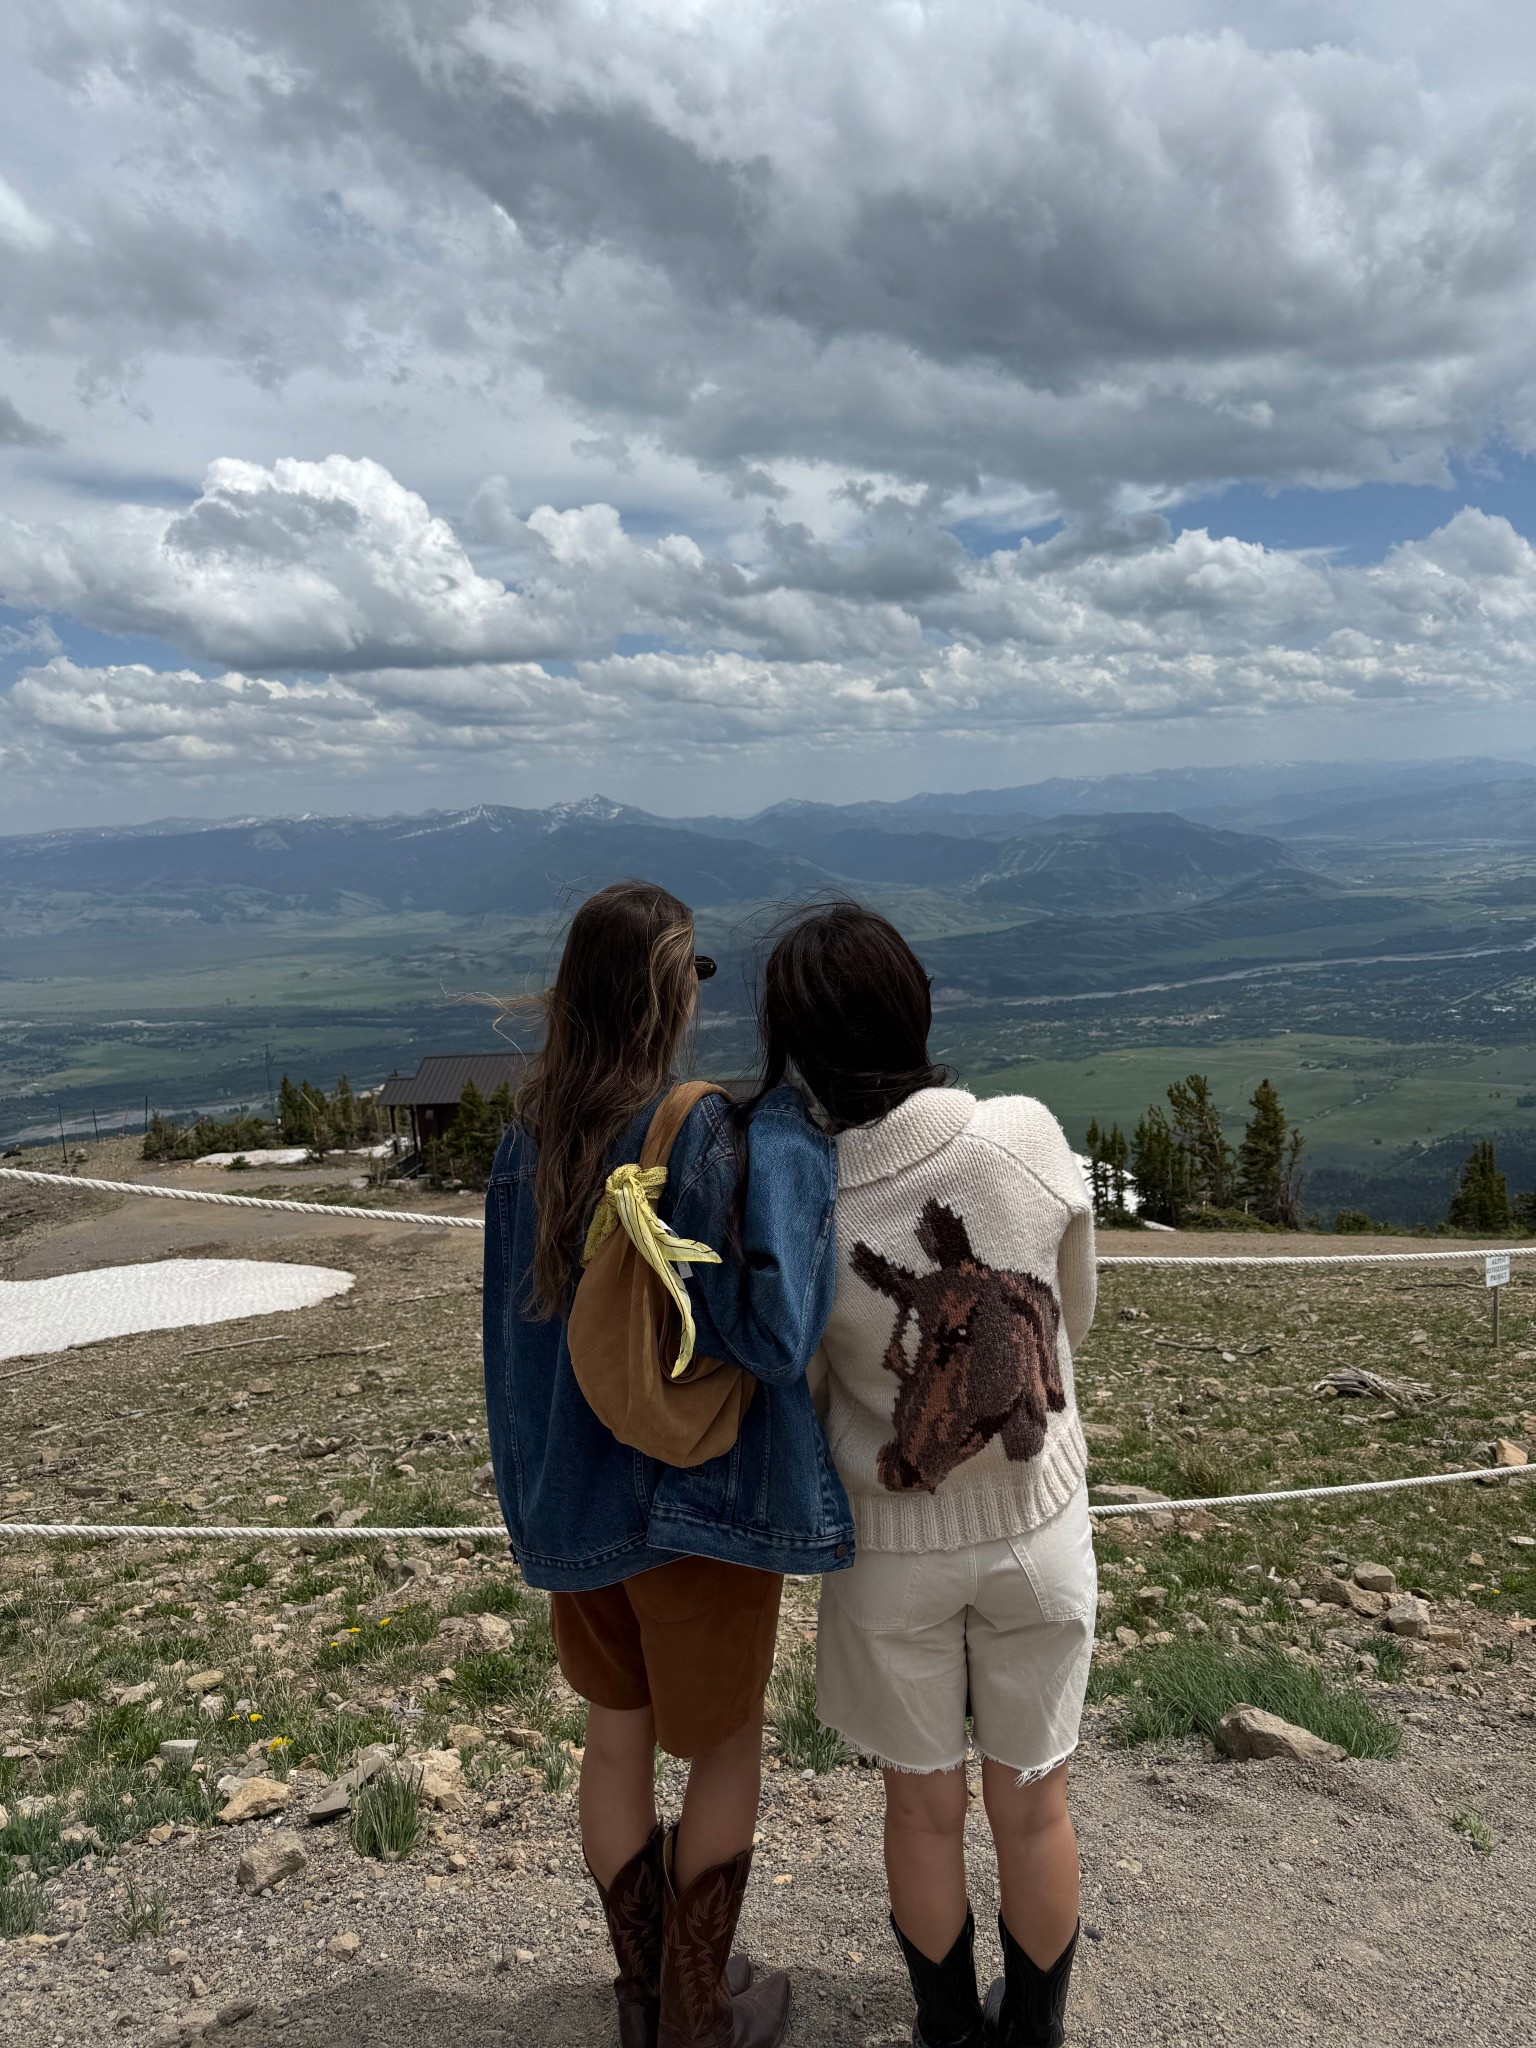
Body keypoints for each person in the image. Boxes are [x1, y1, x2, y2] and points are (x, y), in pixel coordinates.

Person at [482, 880, 852, 2048]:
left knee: (616, 1739)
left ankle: (647, 1997)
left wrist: (531, 1496)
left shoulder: (523, 1142)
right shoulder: (702, 1130)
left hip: (575, 1506)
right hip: (699, 1501)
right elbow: (760, 1333)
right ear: (668, 992)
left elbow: (508, 1345)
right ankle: (704, 2011)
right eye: (694, 977)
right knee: (728, 1743)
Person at [758, 903, 1097, 2048]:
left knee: (920, 1807)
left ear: (798, 1046)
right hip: (1036, 1527)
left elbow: (802, 1390)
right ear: (915, 1002)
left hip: (889, 1549)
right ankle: (1033, 2033)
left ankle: (945, 2031)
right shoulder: (1024, 1138)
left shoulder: (807, 1209)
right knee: (1033, 1802)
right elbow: (1071, 1317)